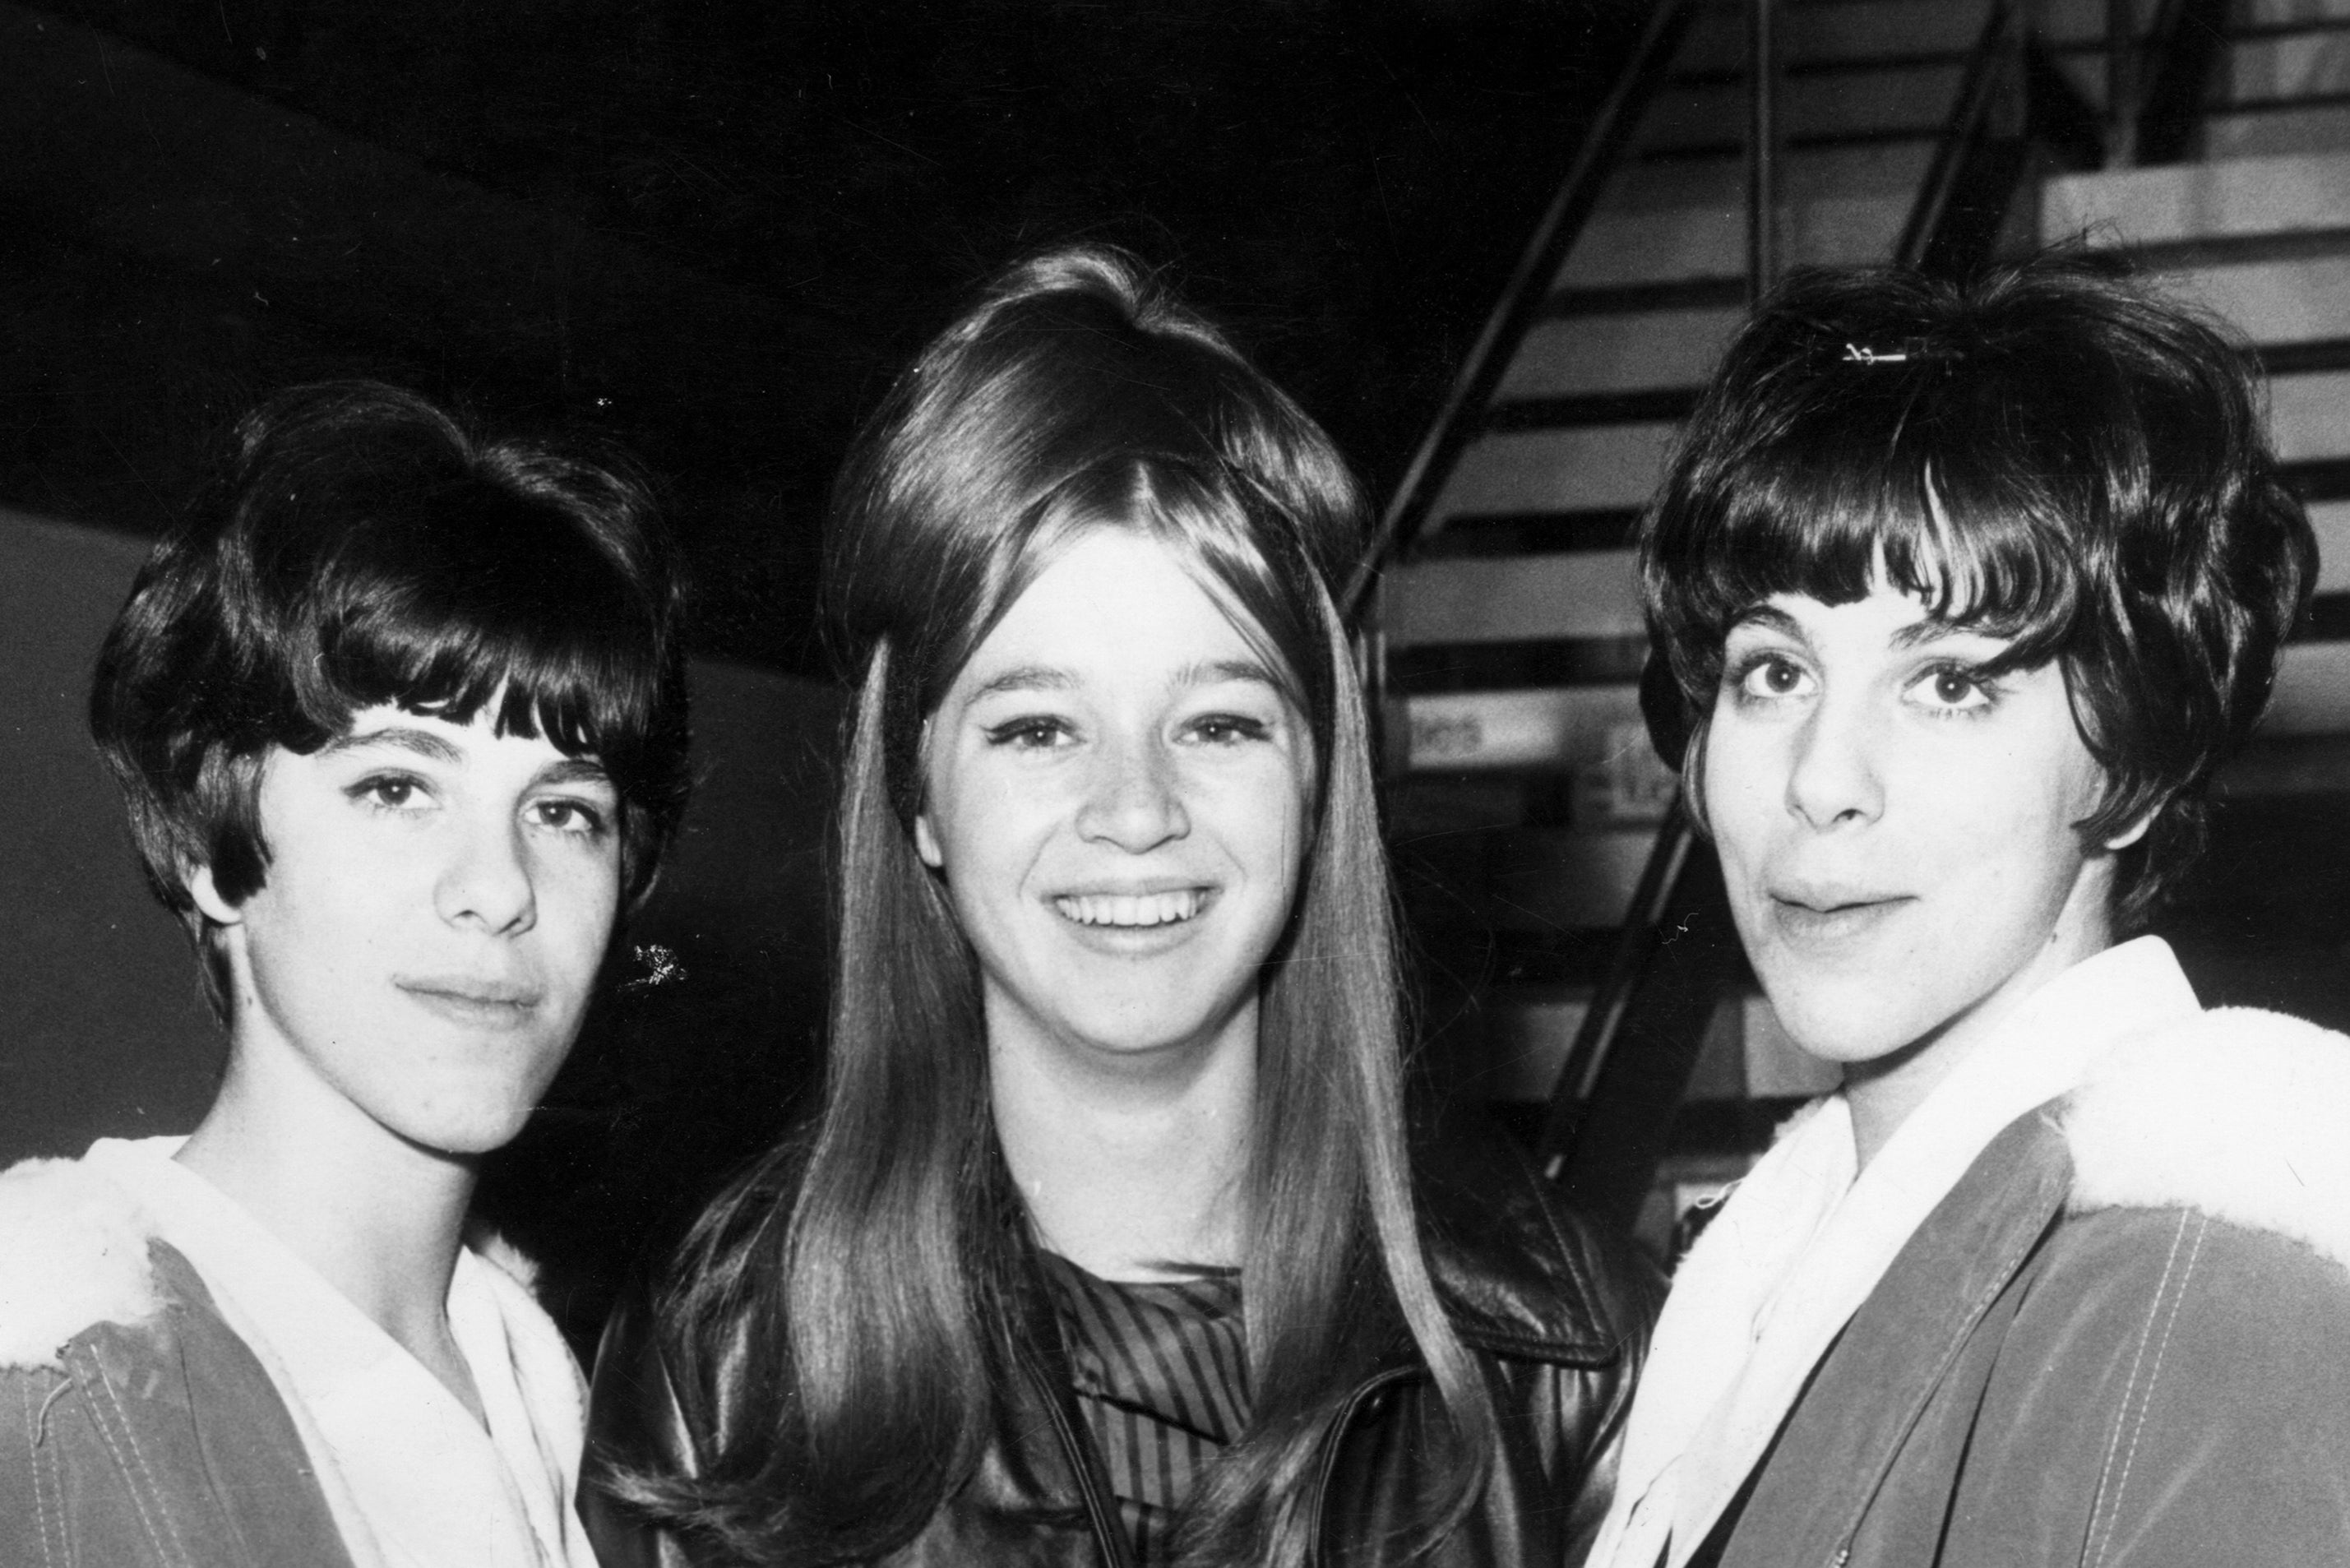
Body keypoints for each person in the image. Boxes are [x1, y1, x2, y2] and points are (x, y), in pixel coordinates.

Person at [582, 247, 1654, 1568]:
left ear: (1318, 781)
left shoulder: (1568, 1353)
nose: (1134, 809)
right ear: (916, 794)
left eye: (1215, 720)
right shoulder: (728, 1372)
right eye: (1036, 727)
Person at [1587, 252, 2350, 1568]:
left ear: (2129, 759)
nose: (1820, 780)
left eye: (1946, 683)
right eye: (1772, 669)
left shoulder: (2197, 1298)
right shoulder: (1767, 1269)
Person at [0, 382, 692, 1568]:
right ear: (210, 844)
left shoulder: (544, 1387)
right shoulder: (56, 1381)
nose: (500, 886)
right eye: (396, 787)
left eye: (565, 811)